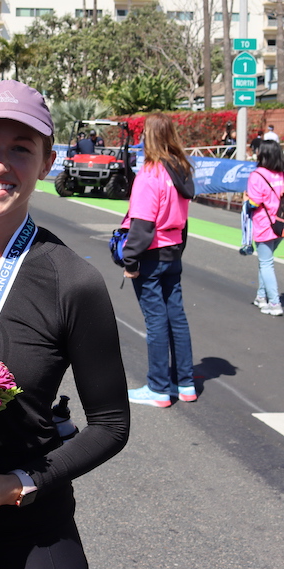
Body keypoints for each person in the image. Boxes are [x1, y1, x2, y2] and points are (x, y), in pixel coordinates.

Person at [0, 80, 129, 568]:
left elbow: (111, 426)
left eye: (20, 148)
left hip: (34, 539)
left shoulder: (72, 281)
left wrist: (15, 483)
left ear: (47, 163)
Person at [121, 113, 196, 407]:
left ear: (148, 137)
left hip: (151, 254)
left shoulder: (150, 174)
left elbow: (142, 224)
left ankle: (159, 388)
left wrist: (130, 262)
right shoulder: (181, 170)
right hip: (173, 249)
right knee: (176, 318)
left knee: (156, 323)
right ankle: (185, 383)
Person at [246, 140, 284, 316]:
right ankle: (261, 296)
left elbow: (254, 202)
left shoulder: (257, 175)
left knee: (266, 263)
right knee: (265, 261)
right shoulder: (281, 174)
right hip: (280, 223)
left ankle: (274, 302)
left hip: (264, 224)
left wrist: (247, 199)